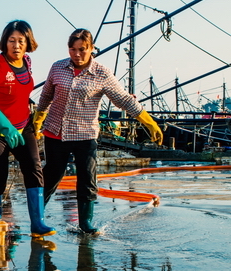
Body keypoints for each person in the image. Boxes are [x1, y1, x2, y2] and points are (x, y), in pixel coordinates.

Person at [35, 28, 163, 234]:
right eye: (72, 49)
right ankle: (37, 218)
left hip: (85, 135)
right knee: (51, 175)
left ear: (91, 49)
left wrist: (148, 122)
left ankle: (85, 223)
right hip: (55, 131)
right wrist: (38, 119)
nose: (77, 54)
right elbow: (46, 96)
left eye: (82, 49)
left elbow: (123, 99)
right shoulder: (57, 68)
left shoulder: (102, 73)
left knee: (87, 178)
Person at [0, 20, 55, 237]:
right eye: (12, 41)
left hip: (23, 126)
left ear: (28, 43)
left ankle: (38, 223)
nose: (16, 46)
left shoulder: (27, 61)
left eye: (21, 41)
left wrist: (33, 120)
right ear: (5, 42)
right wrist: (6, 127)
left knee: (34, 168)